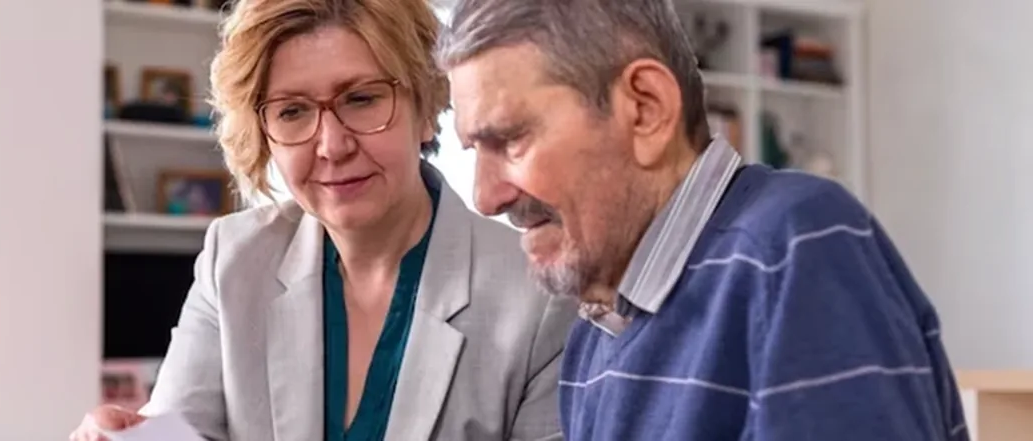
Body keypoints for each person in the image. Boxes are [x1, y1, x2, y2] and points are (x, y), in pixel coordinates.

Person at [437, 0, 969, 440]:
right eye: (474, 151)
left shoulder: (794, 249)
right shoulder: (595, 335)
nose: (486, 197)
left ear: (645, 108)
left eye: (509, 140)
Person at [70, 0, 575, 440]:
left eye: (362, 99)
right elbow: (181, 429)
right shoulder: (235, 259)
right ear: (263, 132)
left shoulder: (537, 298)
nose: (332, 146)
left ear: (425, 108)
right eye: (292, 112)